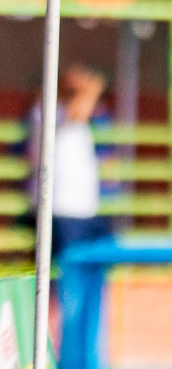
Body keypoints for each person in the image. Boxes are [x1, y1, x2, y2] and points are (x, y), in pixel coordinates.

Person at [27, 63, 111, 260]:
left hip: (79, 206)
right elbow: (82, 105)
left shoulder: (63, 113)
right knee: (64, 271)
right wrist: (91, 84)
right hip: (62, 207)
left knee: (83, 268)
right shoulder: (49, 112)